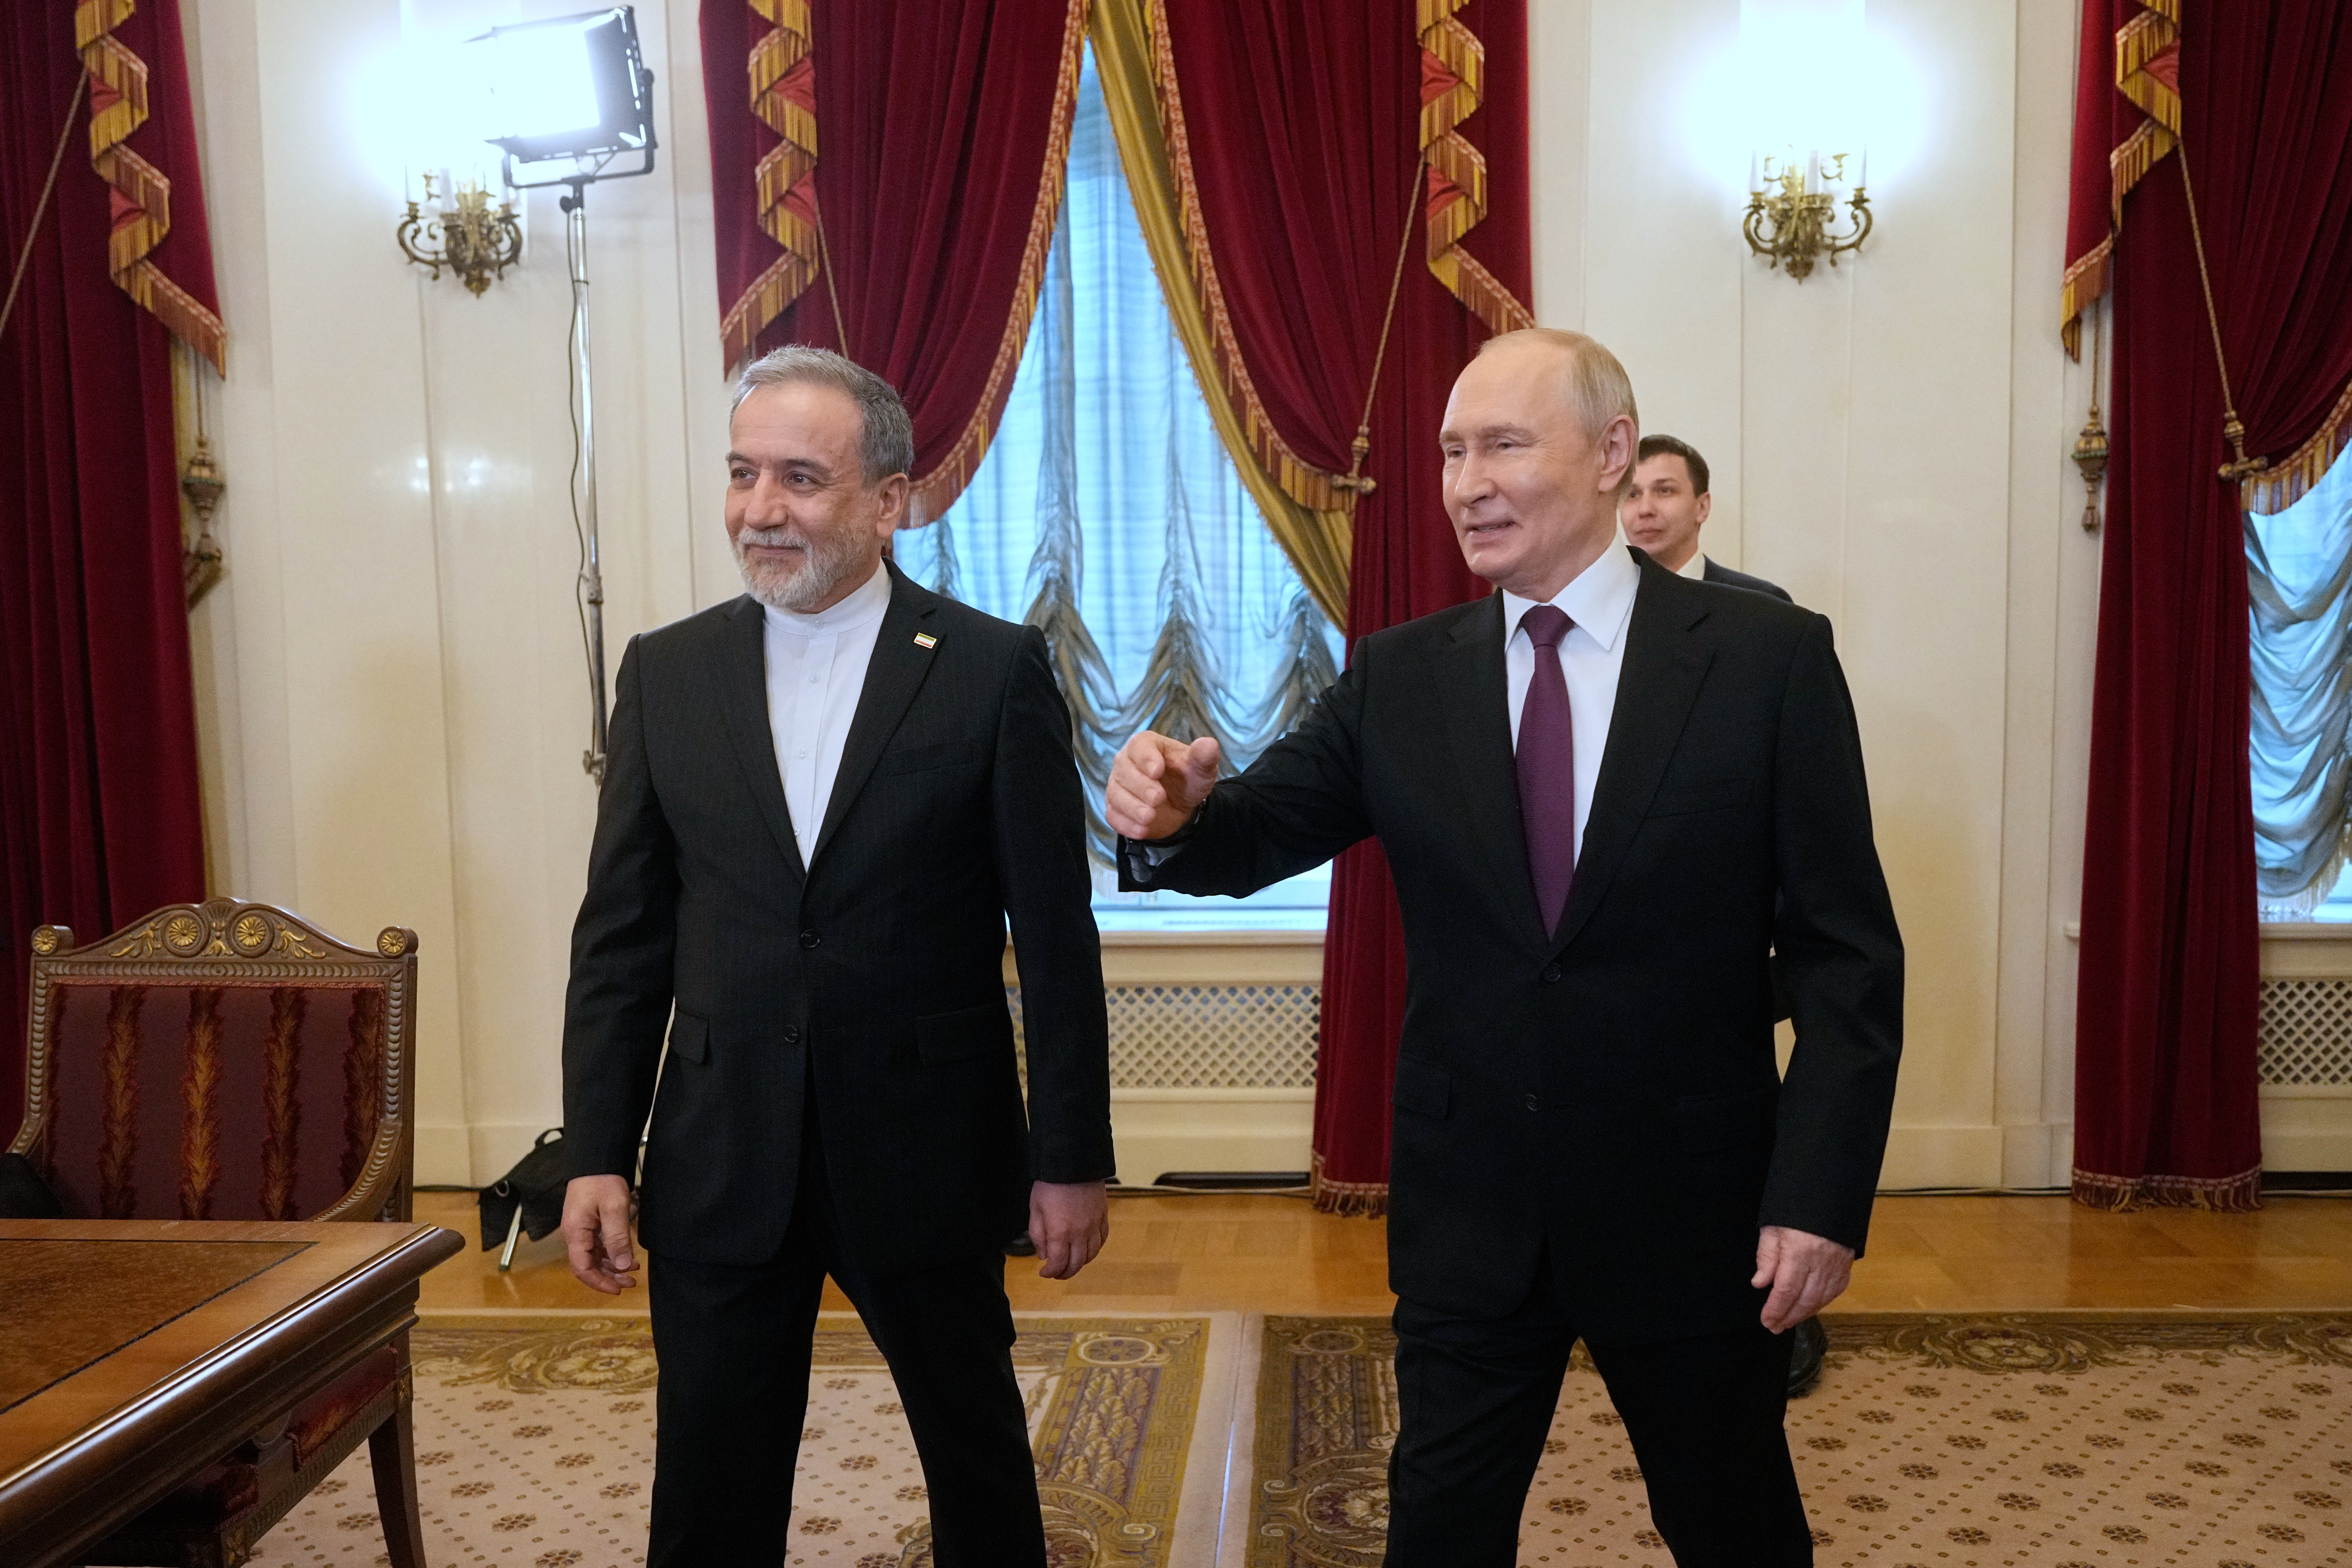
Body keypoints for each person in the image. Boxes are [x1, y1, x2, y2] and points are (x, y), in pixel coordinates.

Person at [1106, 328, 1902, 1567]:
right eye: (1448, 451)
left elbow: (1846, 960)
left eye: (1502, 445)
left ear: (1610, 454)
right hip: (1469, 1205)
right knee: (1438, 1526)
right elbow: (1248, 834)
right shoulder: (1400, 676)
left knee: (1731, 1520)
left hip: (1689, 1207)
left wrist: (1815, 1196)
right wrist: (1171, 810)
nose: (1465, 480)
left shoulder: (1764, 663)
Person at [559, 345, 1114, 1568]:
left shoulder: (988, 671)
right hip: (716, 1147)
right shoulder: (665, 672)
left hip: (924, 1141)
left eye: (801, 478)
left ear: (888, 498)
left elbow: (1055, 939)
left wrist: (1071, 1156)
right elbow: (620, 936)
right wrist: (595, 1149)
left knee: (974, 1462)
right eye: (743, 473)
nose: (762, 508)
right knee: (708, 1477)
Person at [1621, 432, 1792, 601]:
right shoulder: (1601, 599)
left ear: (1702, 507)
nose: (1645, 510)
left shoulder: (1761, 604)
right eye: (1632, 494)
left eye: (1665, 491)